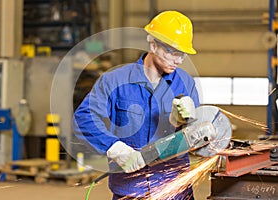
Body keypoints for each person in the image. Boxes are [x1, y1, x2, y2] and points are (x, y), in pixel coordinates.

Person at [73, 10, 200, 200]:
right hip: (131, 189)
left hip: (175, 188)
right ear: (153, 44)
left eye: (182, 54)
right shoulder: (115, 80)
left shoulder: (185, 82)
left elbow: (196, 137)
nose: (179, 60)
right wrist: (114, 147)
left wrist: (187, 121)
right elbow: (84, 117)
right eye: (173, 52)